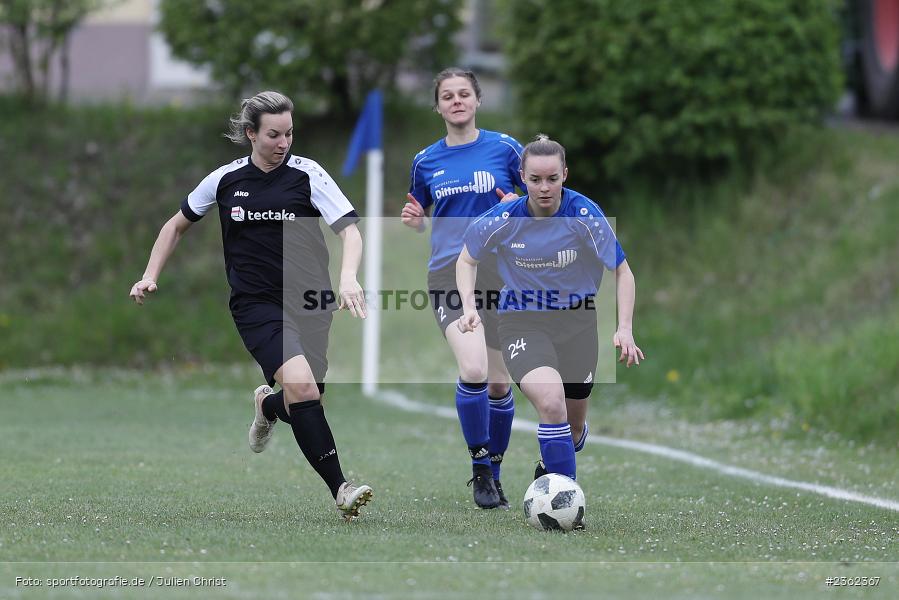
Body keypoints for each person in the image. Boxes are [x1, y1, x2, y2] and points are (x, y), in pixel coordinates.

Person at [129, 91, 373, 520]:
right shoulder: (225, 180)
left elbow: (350, 231)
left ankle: (266, 407)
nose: (284, 143)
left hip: (312, 303)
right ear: (250, 134)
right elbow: (176, 225)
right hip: (257, 305)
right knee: (301, 387)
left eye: (290, 133)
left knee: (307, 395)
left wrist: (348, 276)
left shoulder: (308, 174)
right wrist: (150, 274)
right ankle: (342, 489)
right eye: (274, 135)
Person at [457, 134, 645, 487]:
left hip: (577, 322)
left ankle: (557, 454)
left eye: (552, 179)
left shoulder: (584, 214)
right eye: (535, 179)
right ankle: (566, 497)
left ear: (565, 175)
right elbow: (467, 258)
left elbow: (622, 271)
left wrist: (624, 328)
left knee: (571, 429)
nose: (544, 187)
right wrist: (469, 305)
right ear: (522, 177)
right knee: (552, 403)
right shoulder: (505, 217)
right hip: (521, 321)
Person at [402, 68, 525, 509]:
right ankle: (478, 470)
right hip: (448, 277)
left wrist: (519, 206)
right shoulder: (425, 161)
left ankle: (495, 472)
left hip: (500, 276)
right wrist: (415, 222)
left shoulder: (507, 149)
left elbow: (543, 201)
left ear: (477, 100)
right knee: (473, 370)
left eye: (464, 94)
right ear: (437, 106)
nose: (457, 101)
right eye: (447, 96)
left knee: (498, 383)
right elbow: (420, 212)